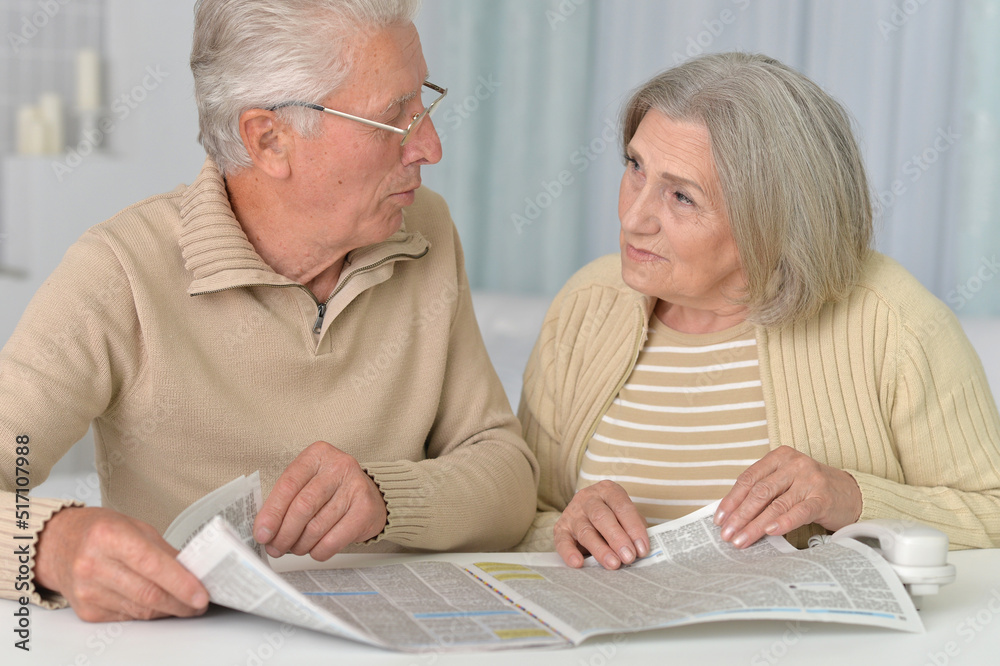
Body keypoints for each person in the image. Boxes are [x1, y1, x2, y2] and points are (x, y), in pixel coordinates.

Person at [0, 0, 538, 622]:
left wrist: (387, 498)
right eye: (395, 118)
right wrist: (48, 544)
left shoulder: (424, 231)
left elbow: (507, 475)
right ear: (270, 139)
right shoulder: (121, 271)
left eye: (424, 103)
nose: (431, 146)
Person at [515, 52, 1000, 570]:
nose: (633, 218)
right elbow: (522, 516)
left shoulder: (896, 322)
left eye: (681, 196)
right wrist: (567, 524)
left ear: (771, 222)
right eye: (635, 166)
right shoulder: (586, 304)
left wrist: (849, 497)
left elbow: (991, 514)